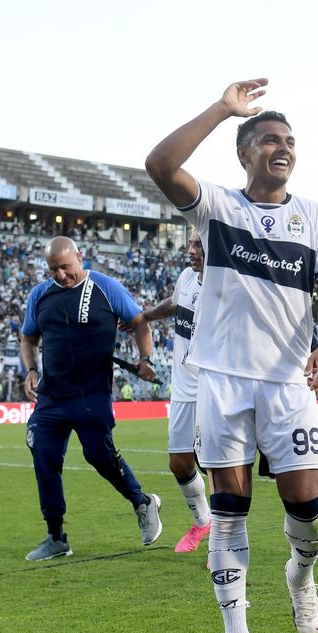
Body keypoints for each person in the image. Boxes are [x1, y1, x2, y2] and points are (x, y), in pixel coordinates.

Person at [145, 82, 318, 633]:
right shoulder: (218, 207)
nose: (282, 149)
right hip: (224, 382)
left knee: (307, 509)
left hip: (287, 384)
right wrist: (223, 109)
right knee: (229, 511)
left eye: (288, 142)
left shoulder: (313, 216)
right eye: (268, 140)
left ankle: (301, 574)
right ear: (244, 153)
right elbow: (160, 164)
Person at [20, 236, 162, 561]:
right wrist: (30, 369)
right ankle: (56, 536)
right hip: (52, 396)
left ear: (80, 257)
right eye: (53, 269)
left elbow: (139, 323)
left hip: (92, 394)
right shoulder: (40, 295)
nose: (61, 275)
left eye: (66, 267)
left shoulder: (106, 287)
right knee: (42, 452)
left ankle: (142, 502)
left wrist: (147, 359)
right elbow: (28, 337)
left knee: (100, 455)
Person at [133, 231, 212, 553]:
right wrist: (146, 316)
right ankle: (203, 521)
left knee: (218, 467)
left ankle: (224, 540)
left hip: (212, 388)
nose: (190, 250)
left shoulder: (227, 285)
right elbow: (177, 304)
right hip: (183, 387)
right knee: (179, 464)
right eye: (190, 243)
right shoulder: (186, 277)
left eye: (198, 245)